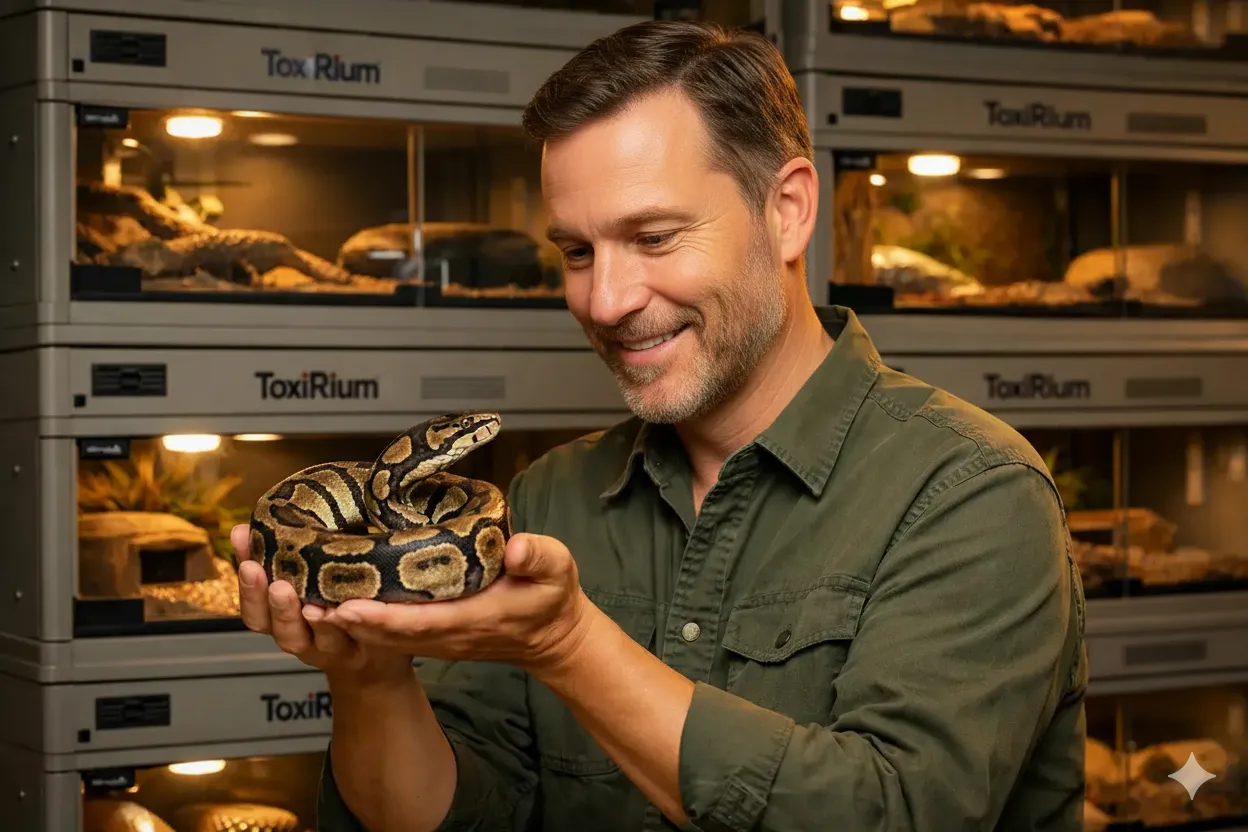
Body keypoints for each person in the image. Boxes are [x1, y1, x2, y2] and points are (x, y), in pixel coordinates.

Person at [231, 19, 1088, 832]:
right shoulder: (548, 498)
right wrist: (371, 678)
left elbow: (895, 813)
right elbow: (462, 814)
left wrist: (569, 644)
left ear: (786, 210)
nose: (604, 301)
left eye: (654, 235)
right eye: (575, 251)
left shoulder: (973, 495)